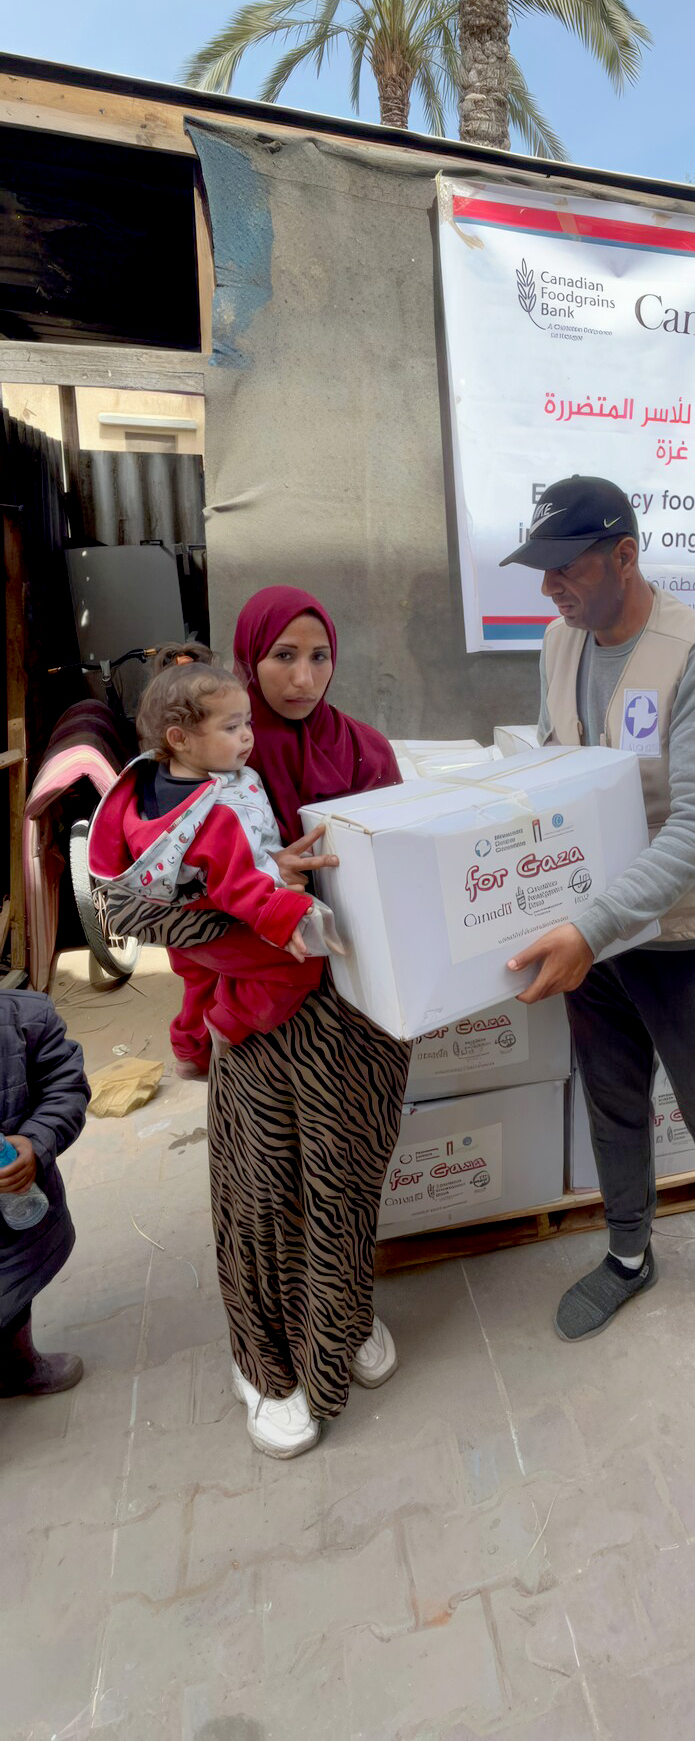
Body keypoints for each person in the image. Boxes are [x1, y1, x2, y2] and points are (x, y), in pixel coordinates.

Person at [98, 586, 409, 1460]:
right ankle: (264, 1360)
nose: (303, 676)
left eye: (319, 655)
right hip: (267, 1020)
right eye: (283, 656)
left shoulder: (366, 749)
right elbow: (139, 906)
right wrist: (253, 916)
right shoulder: (211, 762)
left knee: (346, 1182)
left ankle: (341, 1316)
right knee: (266, 1190)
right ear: (248, 657)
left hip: (364, 1023)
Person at [500, 475, 695, 1348]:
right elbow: (556, 765)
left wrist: (591, 925)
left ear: (624, 556)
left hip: (683, 932)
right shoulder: (559, 641)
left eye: (566, 569)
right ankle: (629, 1253)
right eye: (540, 572)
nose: (549, 588)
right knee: (613, 1096)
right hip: (593, 934)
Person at [91, 663, 341, 1078]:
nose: (247, 736)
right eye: (231, 728)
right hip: (218, 915)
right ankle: (225, 1026)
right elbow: (238, 886)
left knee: (199, 981)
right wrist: (283, 914)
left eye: (247, 723)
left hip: (178, 919)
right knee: (298, 967)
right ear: (180, 739)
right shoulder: (217, 815)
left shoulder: (159, 781)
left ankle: (189, 1051)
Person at [0, 991, 90, 1398]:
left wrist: (35, 1142)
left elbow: (65, 1086)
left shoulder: (24, 1017)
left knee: (15, 1290)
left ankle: (18, 1365)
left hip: (17, 1214)